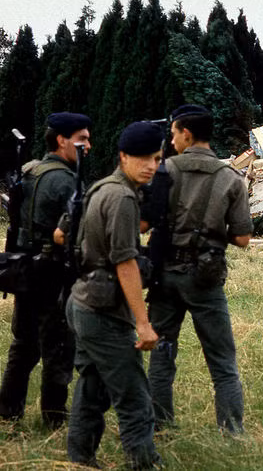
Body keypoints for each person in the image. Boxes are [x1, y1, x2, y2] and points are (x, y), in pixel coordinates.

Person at [147, 104, 253, 434]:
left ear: (187, 134)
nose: (171, 138)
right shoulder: (230, 177)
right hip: (206, 278)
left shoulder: (163, 172)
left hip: (164, 276)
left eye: (174, 132)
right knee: (222, 362)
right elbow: (243, 238)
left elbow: (143, 222)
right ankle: (232, 433)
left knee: (162, 355)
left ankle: (160, 427)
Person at [64, 121, 163, 469]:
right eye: (142, 158)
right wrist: (143, 323)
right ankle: (145, 463)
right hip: (101, 310)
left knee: (93, 386)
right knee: (134, 396)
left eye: (156, 158)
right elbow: (125, 264)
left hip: (83, 301)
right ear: (123, 157)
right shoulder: (121, 197)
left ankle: (80, 457)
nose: (150, 165)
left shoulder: (101, 188)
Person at [0, 112, 91, 430]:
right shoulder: (65, 180)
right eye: (82, 139)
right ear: (61, 140)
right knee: (59, 347)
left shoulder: (32, 170)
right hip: (54, 271)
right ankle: (53, 418)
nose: (88, 145)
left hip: (25, 267)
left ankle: (9, 410)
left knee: (24, 343)